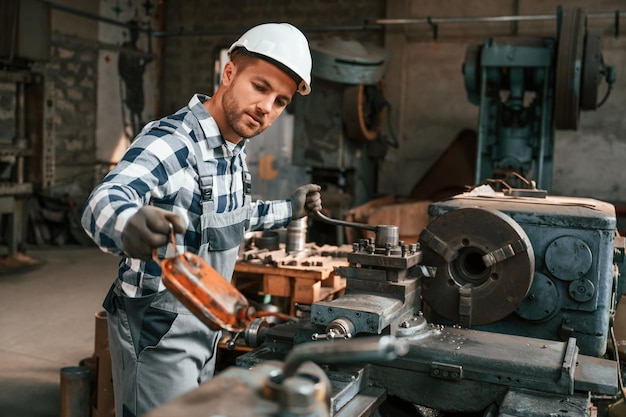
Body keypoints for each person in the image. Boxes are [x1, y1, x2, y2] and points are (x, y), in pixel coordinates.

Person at [81, 23, 321, 417]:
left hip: (206, 325)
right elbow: (104, 200)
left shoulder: (233, 153)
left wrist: (289, 209)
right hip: (160, 333)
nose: (267, 108)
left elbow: (236, 218)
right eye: (260, 87)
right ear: (229, 74)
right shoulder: (173, 141)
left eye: (280, 101)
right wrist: (127, 225)